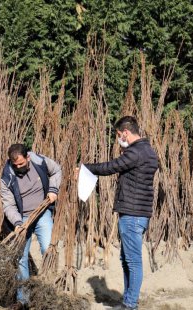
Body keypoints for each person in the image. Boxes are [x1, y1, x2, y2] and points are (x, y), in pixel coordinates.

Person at [78, 116, 158, 310]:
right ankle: (128, 301)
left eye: (118, 135)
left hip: (132, 214)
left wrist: (86, 168)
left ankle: (130, 304)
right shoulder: (148, 151)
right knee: (126, 259)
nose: (118, 139)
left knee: (133, 260)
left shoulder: (137, 152)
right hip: (138, 213)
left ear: (126, 133)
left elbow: (111, 167)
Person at [0, 143, 62, 308]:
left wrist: (54, 189)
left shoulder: (39, 161)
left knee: (49, 249)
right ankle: (23, 300)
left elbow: (57, 170)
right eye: (16, 165)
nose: (19, 167)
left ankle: (49, 293)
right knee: (20, 258)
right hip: (22, 219)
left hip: (42, 213)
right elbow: (8, 205)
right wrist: (18, 223)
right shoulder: (7, 176)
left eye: (21, 163)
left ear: (28, 157)